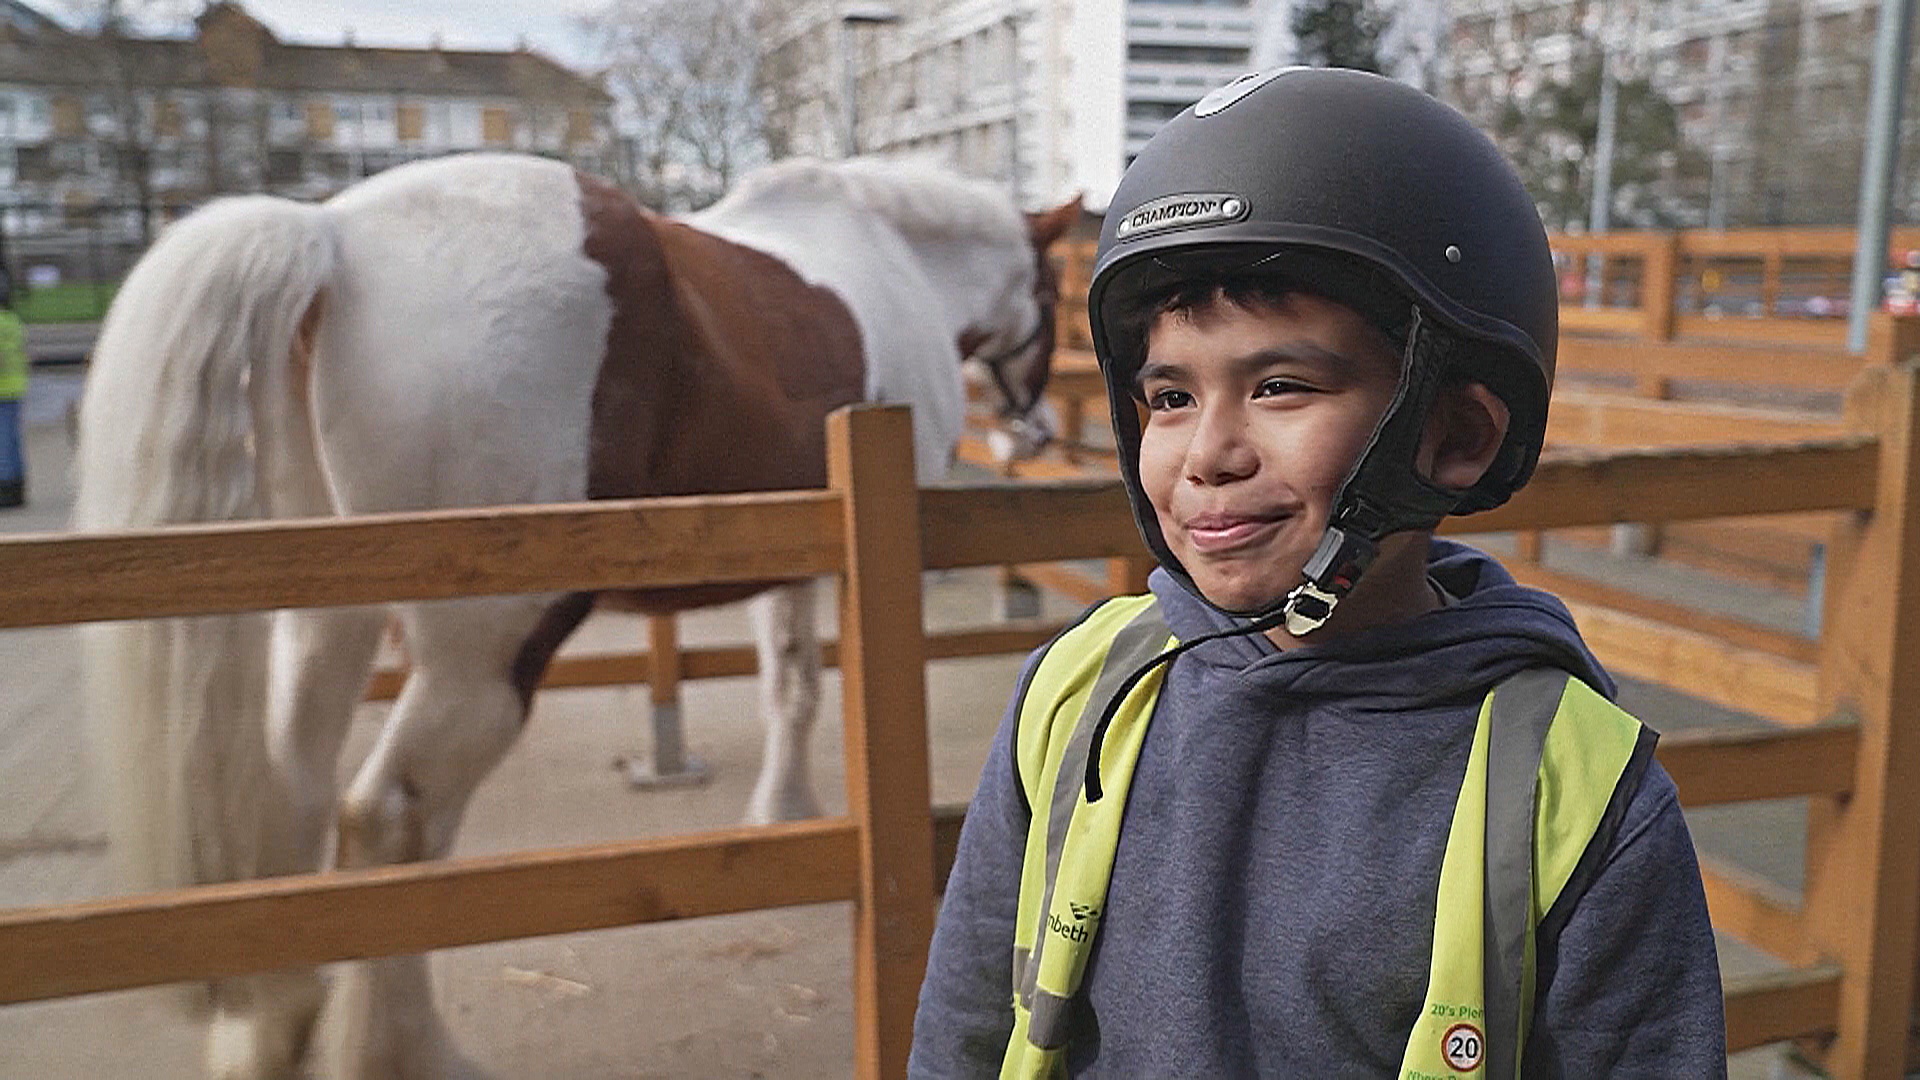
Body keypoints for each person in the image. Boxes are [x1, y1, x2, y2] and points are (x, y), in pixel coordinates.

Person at [911, 67, 1725, 1078]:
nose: (1207, 451)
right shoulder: (1078, 696)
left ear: (1458, 433)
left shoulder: (1579, 793)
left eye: (1281, 385)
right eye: (1168, 397)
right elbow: (965, 1025)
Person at [0, 276, 26, 509]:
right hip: (16, 386)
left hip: (2, 389)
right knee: (12, 440)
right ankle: (17, 486)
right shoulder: (12, 320)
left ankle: (6, 488)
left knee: (3, 441)